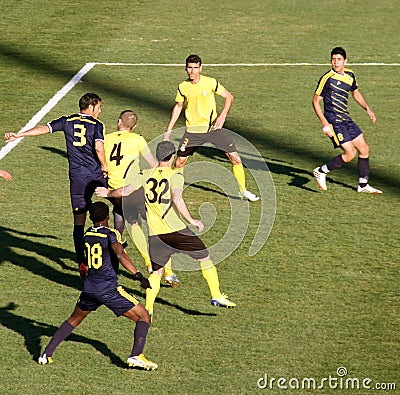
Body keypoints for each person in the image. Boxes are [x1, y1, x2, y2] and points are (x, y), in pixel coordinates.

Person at [96, 141, 236, 315]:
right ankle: (216, 295)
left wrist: (107, 193)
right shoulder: (175, 175)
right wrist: (192, 220)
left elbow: (124, 191)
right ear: (172, 157)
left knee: (157, 271)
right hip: (176, 230)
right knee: (205, 257)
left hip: (156, 235)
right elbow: (177, 199)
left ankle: (148, 308)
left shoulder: (145, 174)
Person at [38, 201, 157, 370]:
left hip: (89, 288)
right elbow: (118, 253)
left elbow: (103, 252)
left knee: (73, 320)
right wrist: (138, 275)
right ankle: (136, 355)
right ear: (108, 216)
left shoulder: (87, 234)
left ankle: (46, 354)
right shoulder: (111, 233)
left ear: (91, 218)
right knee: (144, 317)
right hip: (108, 289)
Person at [4, 93, 109, 273]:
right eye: (99, 107)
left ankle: (82, 263)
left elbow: (44, 128)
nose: (100, 111)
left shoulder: (67, 120)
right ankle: (113, 245)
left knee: (79, 222)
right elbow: (99, 147)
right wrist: (104, 166)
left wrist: (20, 134)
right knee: (116, 201)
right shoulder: (96, 124)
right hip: (96, 175)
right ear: (91, 107)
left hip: (77, 178)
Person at [164, 54, 259, 202]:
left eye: (195, 68)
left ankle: (243, 190)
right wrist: (169, 129)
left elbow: (229, 97)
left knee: (235, 158)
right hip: (193, 132)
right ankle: (174, 191)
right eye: (190, 68)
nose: (192, 71)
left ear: (200, 68)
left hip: (213, 130)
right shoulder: (183, 87)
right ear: (185, 69)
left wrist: (222, 116)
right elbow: (178, 106)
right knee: (179, 162)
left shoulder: (210, 83)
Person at [104, 110, 180, 286]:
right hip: (133, 190)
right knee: (156, 225)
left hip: (115, 191)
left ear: (118, 122)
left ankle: (140, 262)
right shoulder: (137, 139)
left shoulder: (106, 139)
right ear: (134, 126)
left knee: (131, 222)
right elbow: (154, 165)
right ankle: (167, 271)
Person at [312, 47, 382, 194]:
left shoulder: (350, 75)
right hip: (335, 121)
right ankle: (321, 171)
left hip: (346, 119)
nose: (335, 63)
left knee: (364, 149)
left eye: (338, 59)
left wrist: (367, 108)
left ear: (345, 61)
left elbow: (355, 92)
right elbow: (316, 101)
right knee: (350, 154)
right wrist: (325, 123)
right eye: (333, 59)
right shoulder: (327, 78)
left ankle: (363, 185)